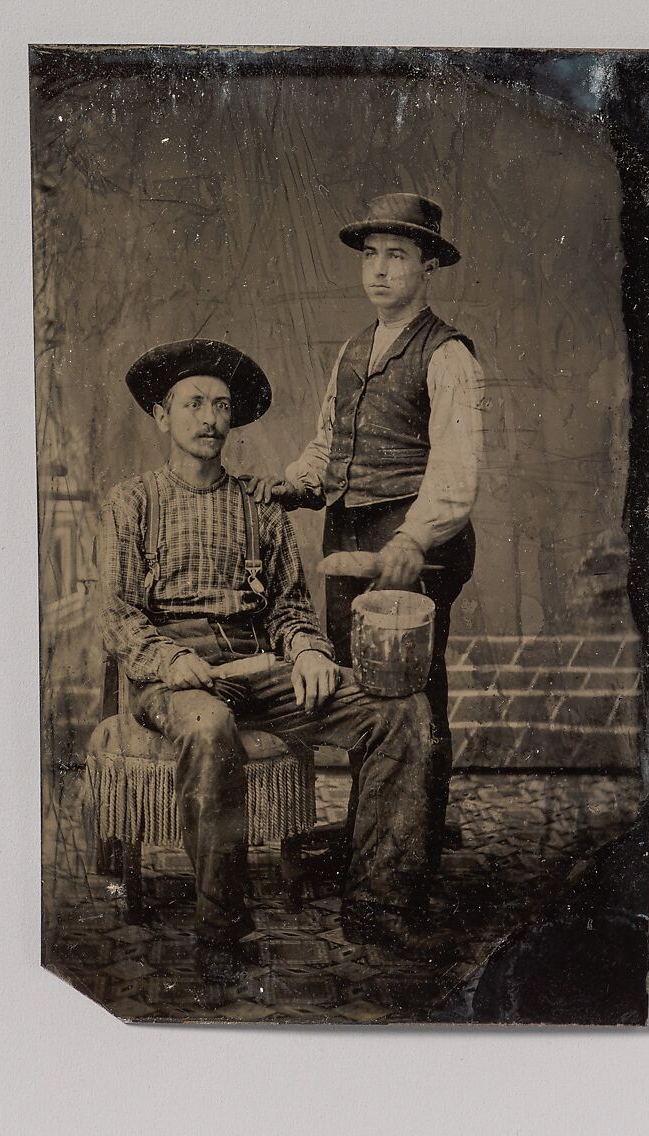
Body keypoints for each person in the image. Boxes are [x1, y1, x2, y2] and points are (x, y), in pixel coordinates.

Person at [98, 337, 447, 980]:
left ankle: (378, 907)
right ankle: (222, 931)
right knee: (208, 727)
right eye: (194, 403)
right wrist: (170, 657)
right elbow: (119, 616)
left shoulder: (260, 507)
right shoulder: (132, 503)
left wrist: (310, 652)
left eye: (221, 405)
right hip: (175, 678)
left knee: (401, 711)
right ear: (162, 416)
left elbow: (287, 605)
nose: (209, 418)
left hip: (257, 667)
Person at [245, 193, 483, 856]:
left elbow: (456, 470)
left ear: (427, 265)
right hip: (348, 535)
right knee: (358, 689)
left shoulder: (447, 355)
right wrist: (294, 484)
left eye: (397, 256)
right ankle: (368, 834)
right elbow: (330, 443)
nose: (379, 270)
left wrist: (413, 537)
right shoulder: (353, 351)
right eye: (371, 255)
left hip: (415, 541)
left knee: (410, 691)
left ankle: (414, 843)